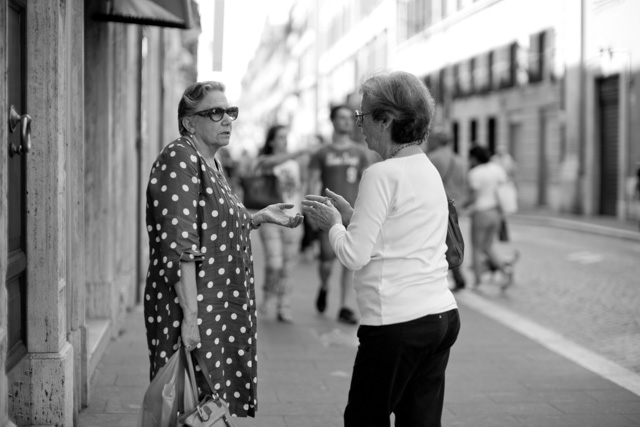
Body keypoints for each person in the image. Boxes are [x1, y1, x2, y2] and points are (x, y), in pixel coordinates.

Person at [302, 71, 460, 427]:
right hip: (440, 316)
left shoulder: (380, 174)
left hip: (396, 322)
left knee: (363, 419)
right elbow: (399, 231)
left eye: (363, 116)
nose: (360, 125)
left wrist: (334, 225)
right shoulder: (427, 168)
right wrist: (353, 216)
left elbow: (354, 255)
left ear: (387, 120)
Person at [143, 81, 303, 418]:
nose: (227, 119)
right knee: (185, 401)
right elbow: (180, 245)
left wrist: (256, 217)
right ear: (189, 122)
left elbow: (213, 220)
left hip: (212, 305)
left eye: (230, 111)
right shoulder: (179, 157)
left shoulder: (210, 162)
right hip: (192, 304)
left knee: (207, 404)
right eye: (215, 113)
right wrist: (190, 319)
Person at [308, 104, 370, 324]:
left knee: (349, 261)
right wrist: (312, 211)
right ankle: (324, 285)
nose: (346, 122)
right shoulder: (321, 153)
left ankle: (344, 306)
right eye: (341, 118)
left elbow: (367, 182)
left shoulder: (360, 152)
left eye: (349, 118)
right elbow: (313, 182)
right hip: (329, 215)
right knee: (326, 261)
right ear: (332, 121)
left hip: (352, 214)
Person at [255, 124, 306, 322]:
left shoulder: (296, 162)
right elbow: (266, 164)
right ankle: (267, 295)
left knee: (288, 267)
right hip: (271, 219)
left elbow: (303, 186)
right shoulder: (266, 160)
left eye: (287, 136)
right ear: (271, 141)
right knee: (275, 264)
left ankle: (283, 306)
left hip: (294, 217)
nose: (285, 141)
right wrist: (297, 153)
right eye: (281, 137)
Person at [463, 145, 518, 290]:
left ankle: (477, 281)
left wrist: (463, 204)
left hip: (481, 212)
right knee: (488, 246)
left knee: (476, 248)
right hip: (496, 213)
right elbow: (504, 188)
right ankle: (505, 270)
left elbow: (473, 197)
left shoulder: (475, 173)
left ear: (474, 158)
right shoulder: (497, 169)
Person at [426, 129, 467, 291]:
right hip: (456, 204)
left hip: (441, 203)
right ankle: (457, 275)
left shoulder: (434, 158)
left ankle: (452, 276)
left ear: (437, 141)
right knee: (453, 240)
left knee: (439, 242)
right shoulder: (460, 160)